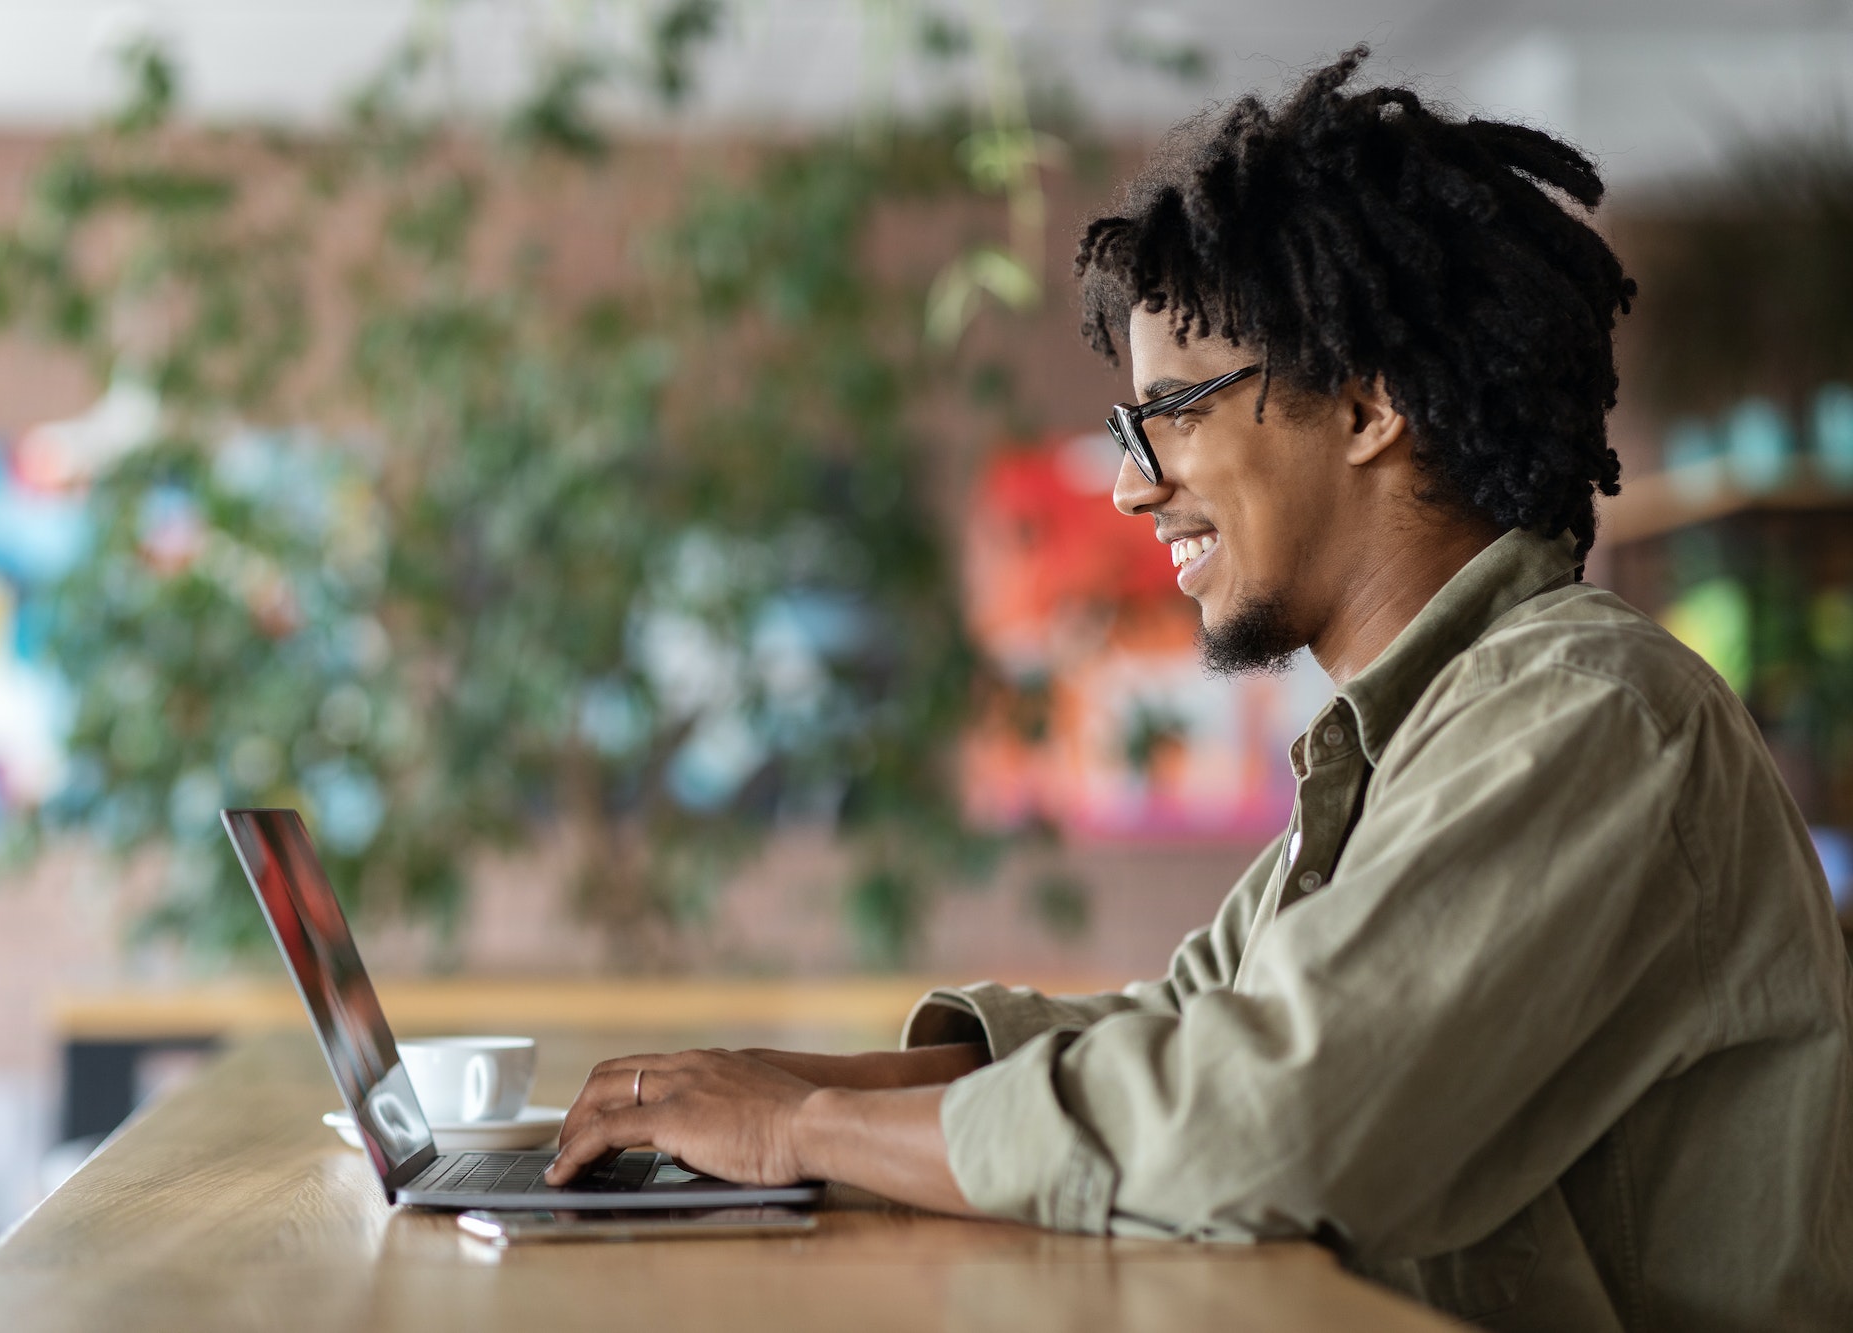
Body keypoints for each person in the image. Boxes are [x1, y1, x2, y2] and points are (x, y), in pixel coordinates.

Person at [545, 48, 1853, 1331]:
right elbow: (1185, 1025)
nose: (1130, 484)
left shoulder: (1590, 714)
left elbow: (1265, 1113)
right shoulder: (1413, 735)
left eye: (1173, 412)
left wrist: (797, 1127)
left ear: (1366, 403)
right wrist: (759, 1088)